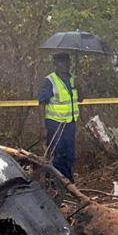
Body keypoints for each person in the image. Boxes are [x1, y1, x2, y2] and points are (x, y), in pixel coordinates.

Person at [38, 52, 79, 181]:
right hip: (55, 123)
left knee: (69, 154)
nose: (64, 65)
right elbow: (42, 103)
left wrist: (79, 86)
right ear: (55, 64)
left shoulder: (73, 79)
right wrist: (43, 127)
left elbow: (81, 99)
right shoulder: (49, 81)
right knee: (57, 154)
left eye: (67, 62)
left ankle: (67, 180)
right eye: (61, 62)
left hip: (70, 123)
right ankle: (56, 182)